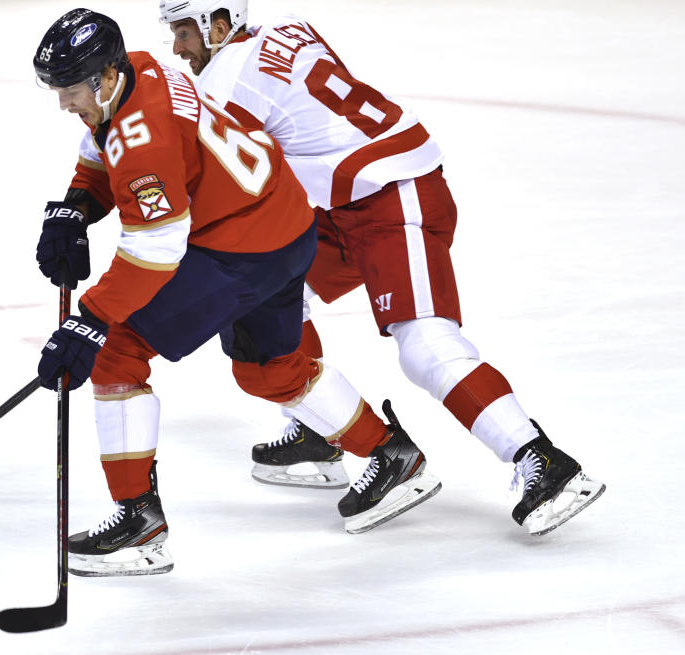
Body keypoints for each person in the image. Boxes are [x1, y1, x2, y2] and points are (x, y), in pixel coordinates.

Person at [159, 0, 606, 536]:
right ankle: (318, 431)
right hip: (344, 199)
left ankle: (544, 461)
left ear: (220, 23)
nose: (179, 47)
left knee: (425, 345)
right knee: (270, 293)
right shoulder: (286, 28)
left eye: (185, 31)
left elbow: (214, 184)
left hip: (394, 194)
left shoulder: (224, 81)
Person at [30, 8, 442, 577]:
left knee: (116, 352)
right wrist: (74, 208)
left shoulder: (140, 138)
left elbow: (156, 249)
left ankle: (138, 526)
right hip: (287, 228)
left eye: (71, 90)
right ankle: (391, 454)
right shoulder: (141, 72)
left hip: (239, 252)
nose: (63, 104)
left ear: (103, 78)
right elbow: (103, 150)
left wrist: (90, 319)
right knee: (269, 370)